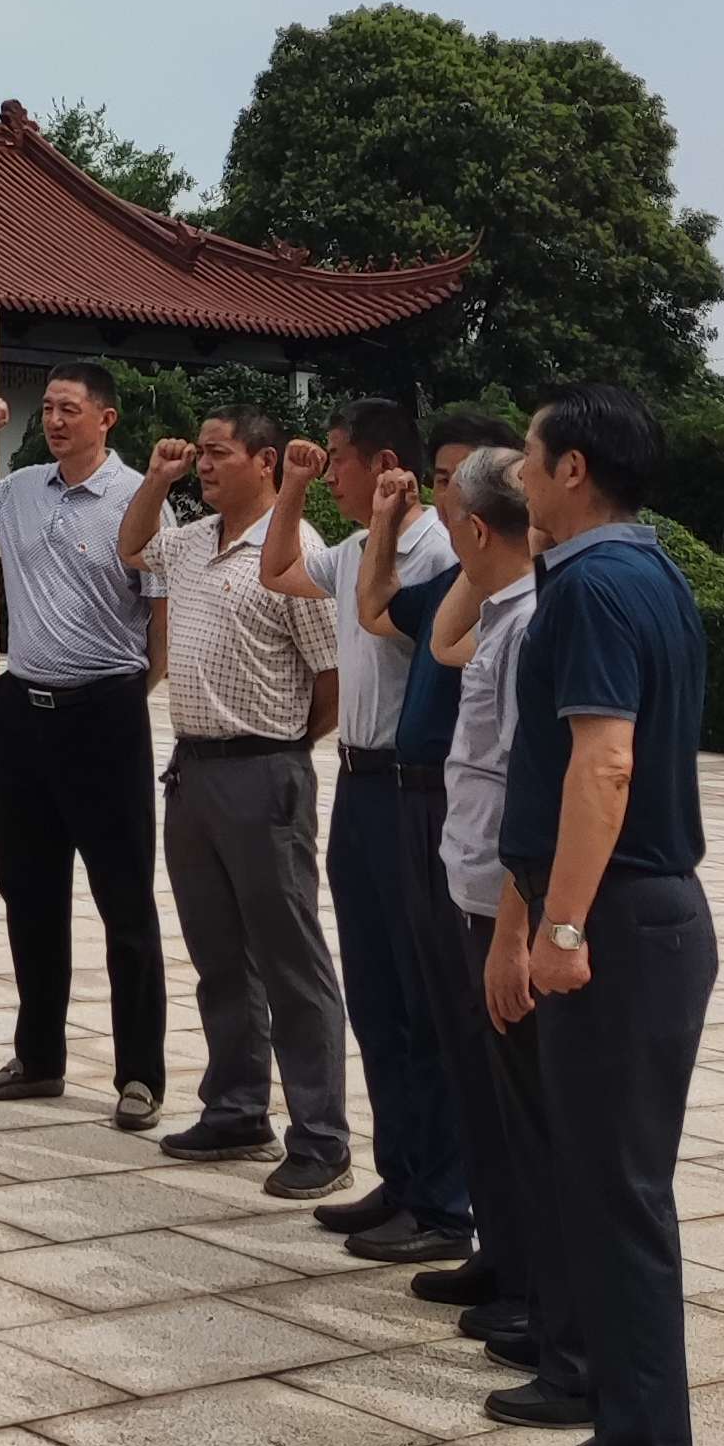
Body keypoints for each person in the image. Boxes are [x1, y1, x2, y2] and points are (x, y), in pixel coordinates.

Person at [486, 383, 717, 1446]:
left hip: (621, 925)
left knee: (620, 1204)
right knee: (605, 1193)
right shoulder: (654, 571)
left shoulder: (590, 585)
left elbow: (605, 766)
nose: (517, 475)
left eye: (528, 457)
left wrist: (559, 927)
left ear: (573, 469)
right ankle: (624, 1440)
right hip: (647, 919)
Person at [0, 357, 167, 1126]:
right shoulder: (23, 488)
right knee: (27, 890)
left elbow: (160, 618)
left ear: (107, 418)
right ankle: (39, 1057)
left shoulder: (142, 500)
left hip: (106, 712)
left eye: (69, 408)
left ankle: (141, 1075)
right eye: (49, 409)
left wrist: (133, 695)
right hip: (20, 711)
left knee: (123, 896)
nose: (54, 420)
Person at [116, 410, 349, 1196]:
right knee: (219, 956)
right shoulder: (191, 539)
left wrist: (281, 751)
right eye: (202, 453)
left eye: (219, 454)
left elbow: (331, 682)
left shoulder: (298, 552)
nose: (206, 464)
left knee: (291, 959)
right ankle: (237, 1104)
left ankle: (320, 1134)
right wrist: (157, 479)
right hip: (194, 769)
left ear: (266, 461)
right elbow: (131, 546)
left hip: (264, 768)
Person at [261, 405, 469, 1264]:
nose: (332, 472)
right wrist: (297, 483)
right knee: (378, 999)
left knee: (426, 1003)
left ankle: (446, 1200)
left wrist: (389, 517)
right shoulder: (349, 553)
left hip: (414, 789)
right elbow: (277, 567)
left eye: (338, 460)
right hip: (356, 784)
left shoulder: (445, 554)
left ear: (387, 464)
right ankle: (402, 1175)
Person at [366, 414, 529, 1326]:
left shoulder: (535, 604)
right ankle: (496, 1250)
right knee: (460, 1049)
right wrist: (474, 551)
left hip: (491, 853)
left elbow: (452, 651)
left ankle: (522, 1268)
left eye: (461, 483)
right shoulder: (473, 587)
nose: (442, 493)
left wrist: (485, 542)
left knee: (494, 1065)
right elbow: (423, 633)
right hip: (435, 819)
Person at [427, 441, 555, 1383]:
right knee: (492, 1098)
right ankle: (508, 1263)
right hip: (469, 882)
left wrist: (514, 926)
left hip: (498, 897)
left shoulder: (527, 623)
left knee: (529, 1117)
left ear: (474, 527)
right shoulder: (506, 607)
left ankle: (542, 1298)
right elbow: (440, 638)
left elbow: (525, 785)